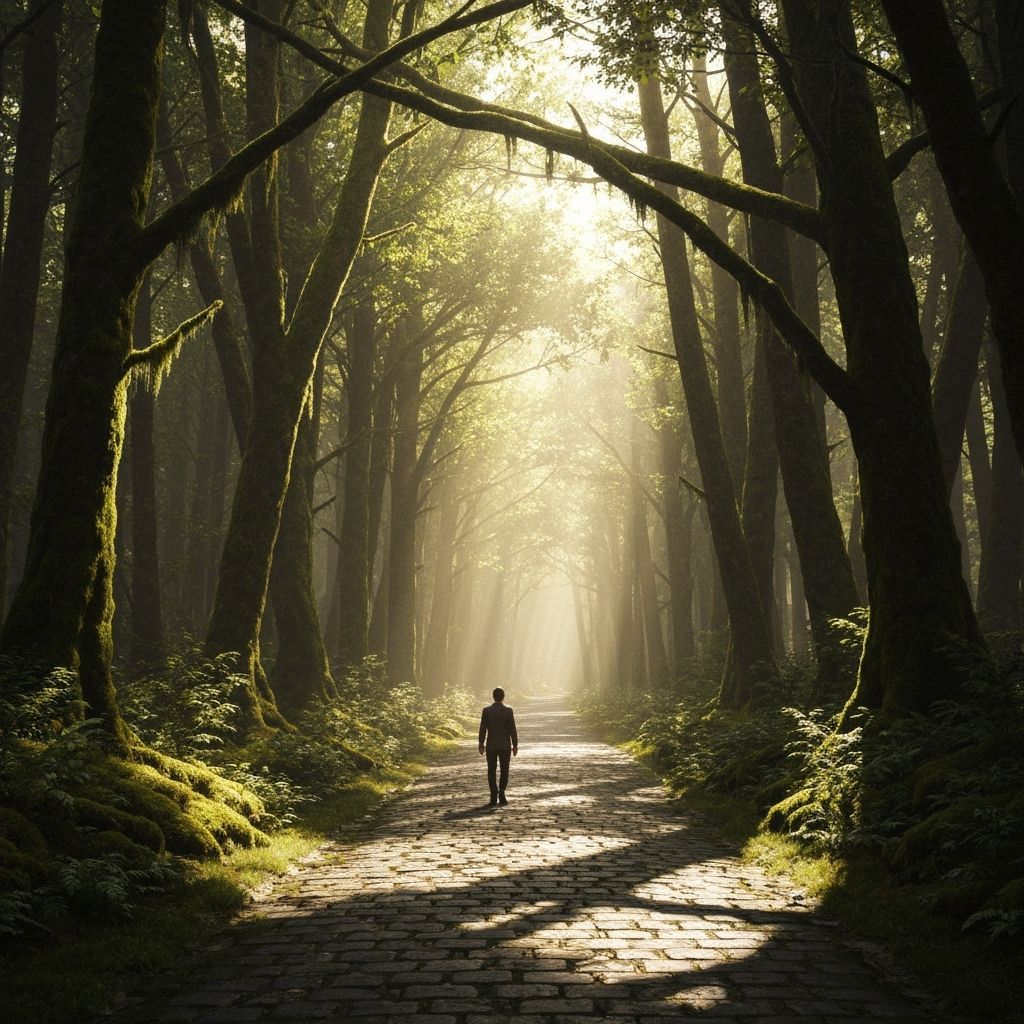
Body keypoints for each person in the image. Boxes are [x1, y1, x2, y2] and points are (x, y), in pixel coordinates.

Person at [478, 687, 518, 806]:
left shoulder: (486, 711)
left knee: (491, 770)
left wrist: (481, 743)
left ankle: (493, 795)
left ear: (493, 697)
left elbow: (483, 728)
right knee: (504, 770)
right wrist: (515, 745)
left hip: (491, 746)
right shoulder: (508, 711)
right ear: (503, 697)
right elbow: (512, 729)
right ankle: (502, 792)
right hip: (505, 745)